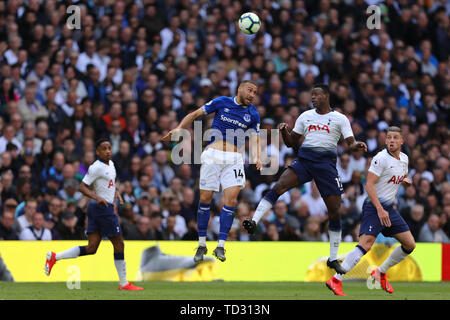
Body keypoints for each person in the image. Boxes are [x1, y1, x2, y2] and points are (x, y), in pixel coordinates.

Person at [243, 84, 367, 275]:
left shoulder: (340, 118)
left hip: (326, 166)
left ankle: (333, 258)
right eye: (311, 96)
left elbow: (350, 143)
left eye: (316, 95)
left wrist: (357, 144)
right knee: (279, 186)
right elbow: (291, 142)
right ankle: (254, 220)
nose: (313, 99)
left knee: (335, 212)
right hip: (305, 160)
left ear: (326, 95)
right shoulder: (305, 116)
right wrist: (284, 131)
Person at [162, 80, 262, 262]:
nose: (252, 95)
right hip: (213, 155)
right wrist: (178, 129)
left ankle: (221, 246)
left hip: (234, 160)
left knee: (231, 201)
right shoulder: (222, 101)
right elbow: (194, 114)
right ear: (239, 88)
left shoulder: (253, 113)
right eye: (249, 90)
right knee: (205, 199)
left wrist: (258, 156)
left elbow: (255, 137)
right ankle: (201, 244)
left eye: (255, 92)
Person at [326, 126, 415, 296]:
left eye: (395, 138)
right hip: (375, 208)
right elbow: (369, 184)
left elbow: (396, 174)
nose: (391, 141)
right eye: (389, 137)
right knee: (365, 245)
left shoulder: (404, 159)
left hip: (388, 208)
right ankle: (336, 279)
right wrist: (380, 209)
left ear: (402, 141)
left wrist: (405, 179)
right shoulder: (380, 158)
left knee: (409, 244)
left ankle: (380, 272)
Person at [44, 138, 143, 291]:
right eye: (104, 148)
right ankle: (123, 283)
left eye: (109, 147)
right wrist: (97, 197)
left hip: (98, 208)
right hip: (102, 208)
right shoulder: (95, 167)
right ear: (97, 152)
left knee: (92, 248)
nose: (108, 151)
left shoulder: (112, 164)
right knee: (119, 244)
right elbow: (82, 187)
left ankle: (54, 257)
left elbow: (110, 183)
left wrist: (117, 193)